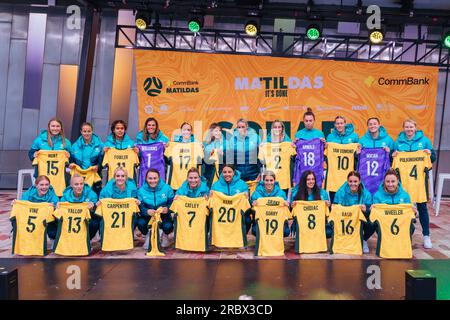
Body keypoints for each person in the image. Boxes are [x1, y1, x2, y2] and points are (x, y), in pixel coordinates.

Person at [393, 119, 435, 249]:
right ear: (403, 128)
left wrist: (430, 154)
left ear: (415, 128)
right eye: (406, 127)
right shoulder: (398, 142)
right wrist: (393, 155)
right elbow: (393, 162)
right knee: (404, 209)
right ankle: (404, 235)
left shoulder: (425, 141)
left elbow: (433, 158)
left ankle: (426, 236)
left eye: (411, 127)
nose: (409, 129)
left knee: (422, 209)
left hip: (420, 184)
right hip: (404, 184)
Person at [333, 171, 373, 253]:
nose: (353, 184)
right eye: (350, 181)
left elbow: (370, 212)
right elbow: (335, 208)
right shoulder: (341, 192)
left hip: (359, 220)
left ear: (359, 181)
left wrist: (366, 210)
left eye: (355, 181)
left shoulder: (366, 194)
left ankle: (363, 239)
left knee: (373, 223)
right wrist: (333, 207)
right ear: (347, 181)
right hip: (345, 219)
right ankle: (343, 240)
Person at [137, 168, 174, 248]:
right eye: (150, 178)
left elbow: (172, 204)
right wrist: (146, 211)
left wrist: (167, 209)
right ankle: (147, 235)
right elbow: (140, 207)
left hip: (163, 215)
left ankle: (165, 235)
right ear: (146, 179)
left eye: (155, 178)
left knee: (168, 226)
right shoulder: (141, 190)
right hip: (148, 216)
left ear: (159, 178)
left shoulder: (167, 188)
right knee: (140, 223)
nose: (153, 181)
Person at [290, 170, 330, 238]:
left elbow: (327, 213)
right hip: (302, 224)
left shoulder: (322, 193)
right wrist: (292, 205)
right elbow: (292, 211)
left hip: (317, 224)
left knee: (328, 232)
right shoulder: (296, 192)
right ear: (303, 181)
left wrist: (327, 205)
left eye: (313, 179)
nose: (311, 181)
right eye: (308, 179)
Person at [211, 165, 251, 233]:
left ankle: (242, 235)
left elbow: (246, 204)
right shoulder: (215, 185)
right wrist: (210, 196)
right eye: (224, 172)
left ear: (234, 172)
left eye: (229, 172)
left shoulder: (242, 184)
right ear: (221, 173)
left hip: (237, 216)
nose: (227, 174)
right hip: (221, 217)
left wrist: (246, 198)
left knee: (247, 218)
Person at [18, 175, 59, 241]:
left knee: (54, 223)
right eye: (41, 185)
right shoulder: (28, 194)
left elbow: (57, 204)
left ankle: (53, 237)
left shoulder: (52, 194)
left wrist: (55, 206)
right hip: (31, 219)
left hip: (46, 220)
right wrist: (16, 203)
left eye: (46, 185)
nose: (44, 187)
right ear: (36, 185)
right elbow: (21, 205)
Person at [250, 171, 290, 237]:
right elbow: (252, 207)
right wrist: (253, 203)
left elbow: (285, 210)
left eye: (271, 180)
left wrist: (286, 204)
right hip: (262, 222)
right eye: (267, 180)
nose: (269, 183)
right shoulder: (256, 193)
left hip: (277, 221)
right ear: (263, 181)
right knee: (255, 230)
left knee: (285, 232)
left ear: (274, 181)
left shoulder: (281, 193)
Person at [59, 174, 99, 240]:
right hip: (70, 221)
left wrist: (93, 207)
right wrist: (58, 206)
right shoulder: (65, 197)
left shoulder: (91, 194)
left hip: (85, 220)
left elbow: (95, 210)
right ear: (71, 185)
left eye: (81, 184)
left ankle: (88, 240)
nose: (79, 186)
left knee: (95, 222)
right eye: (76, 184)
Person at [69, 122, 104, 194]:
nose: (87, 133)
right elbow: (71, 161)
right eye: (84, 131)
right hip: (79, 177)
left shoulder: (100, 145)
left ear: (92, 131)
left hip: (94, 176)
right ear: (81, 132)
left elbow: (104, 160)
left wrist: (98, 166)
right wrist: (71, 164)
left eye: (89, 131)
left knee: (94, 198)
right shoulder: (75, 146)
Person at [203, 123, 225, 187]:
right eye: (216, 131)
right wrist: (215, 151)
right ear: (211, 132)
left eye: (220, 130)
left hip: (221, 174)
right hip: (209, 173)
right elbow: (207, 156)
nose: (218, 132)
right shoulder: (206, 144)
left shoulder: (225, 143)